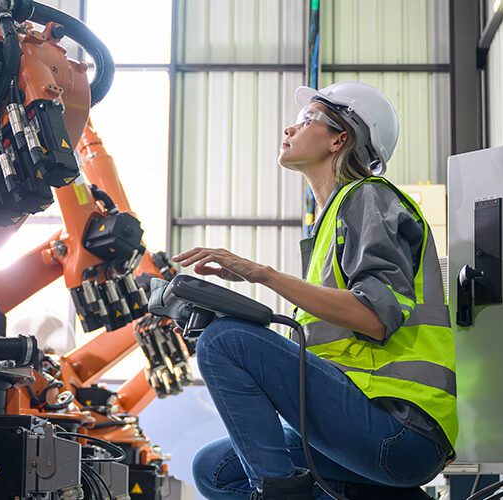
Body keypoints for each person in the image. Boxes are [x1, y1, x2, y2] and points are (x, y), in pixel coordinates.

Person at [174, 81, 456, 500]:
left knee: (225, 341)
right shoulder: (331, 221)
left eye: (307, 120)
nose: (289, 129)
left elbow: (375, 319)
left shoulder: (368, 198)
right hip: (364, 425)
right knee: (215, 470)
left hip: (398, 425)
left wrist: (261, 274)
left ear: (340, 138)